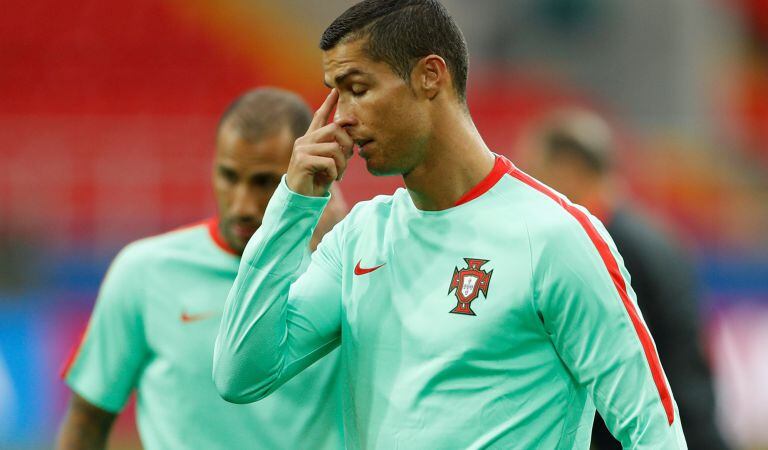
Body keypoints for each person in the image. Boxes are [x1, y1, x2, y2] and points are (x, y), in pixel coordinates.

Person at [213, 1, 687, 448]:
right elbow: (241, 374)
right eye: (334, 96)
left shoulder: (552, 236)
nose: (342, 120)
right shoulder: (360, 237)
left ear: (429, 76)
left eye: (357, 89)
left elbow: (650, 426)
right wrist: (292, 206)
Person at [56, 88, 346, 450]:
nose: (242, 204)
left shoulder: (334, 271)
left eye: (264, 182)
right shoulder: (144, 271)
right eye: (229, 176)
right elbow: (86, 423)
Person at [519, 109, 727, 450]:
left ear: (568, 170)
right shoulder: (656, 235)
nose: (530, 187)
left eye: (537, 172)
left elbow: (614, 367)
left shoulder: (602, 247)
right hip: (691, 423)